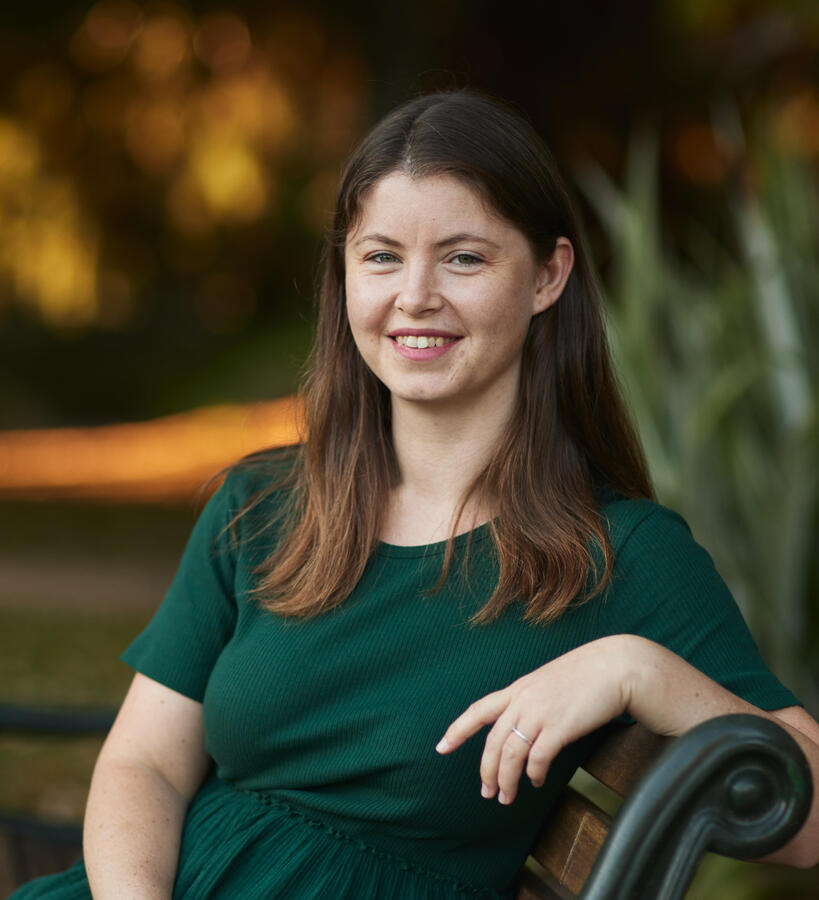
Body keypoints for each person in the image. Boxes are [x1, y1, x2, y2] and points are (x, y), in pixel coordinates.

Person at [12, 89, 818, 900]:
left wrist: (637, 668)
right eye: (382, 256)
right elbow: (143, 760)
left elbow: (809, 826)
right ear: (345, 275)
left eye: (464, 257)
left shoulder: (621, 554)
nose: (415, 295)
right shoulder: (260, 507)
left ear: (547, 276)